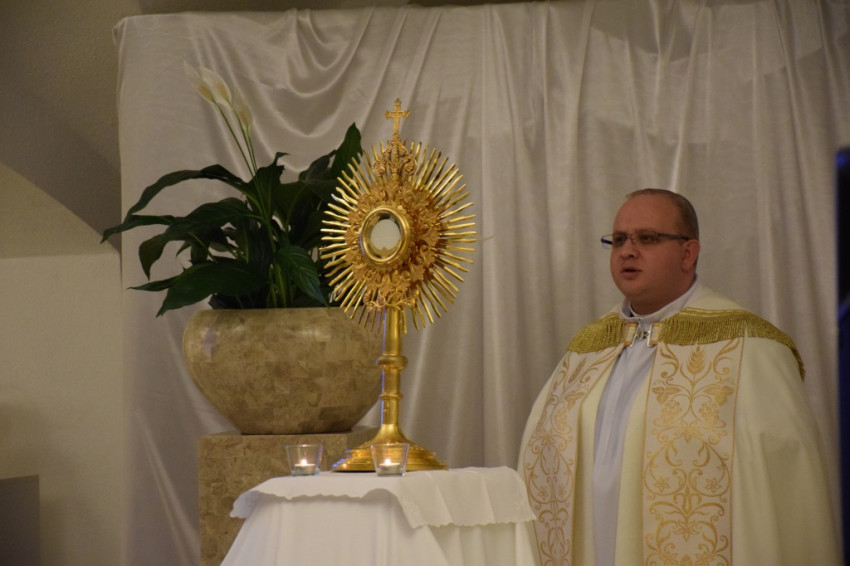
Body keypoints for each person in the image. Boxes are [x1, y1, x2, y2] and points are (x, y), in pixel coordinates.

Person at [519, 188, 840, 565]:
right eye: (619, 240)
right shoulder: (587, 350)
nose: (627, 251)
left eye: (647, 238)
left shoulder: (749, 346)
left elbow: (784, 487)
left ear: (688, 253)